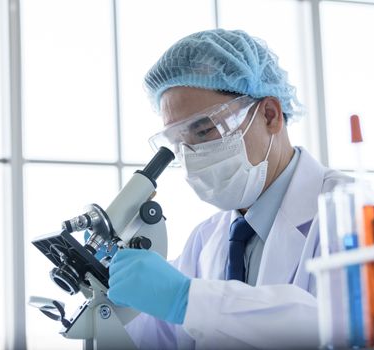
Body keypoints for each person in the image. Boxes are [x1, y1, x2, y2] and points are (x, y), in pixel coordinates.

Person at [107, 28, 349, 349]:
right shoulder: (206, 239)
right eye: (180, 143)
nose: (192, 156)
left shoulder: (354, 211)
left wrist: (191, 301)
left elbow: (345, 331)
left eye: (205, 130)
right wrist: (111, 298)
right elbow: (155, 339)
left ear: (269, 115)